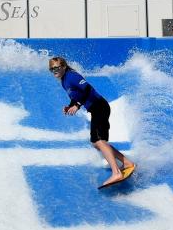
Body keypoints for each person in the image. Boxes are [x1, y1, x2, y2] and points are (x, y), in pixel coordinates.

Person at [49, 56, 136, 187]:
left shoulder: (71, 76)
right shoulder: (63, 81)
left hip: (99, 106)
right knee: (96, 143)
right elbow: (76, 95)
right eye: (51, 69)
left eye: (56, 67)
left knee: (99, 141)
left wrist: (77, 105)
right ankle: (127, 163)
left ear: (64, 66)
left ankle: (116, 172)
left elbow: (87, 88)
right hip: (95, 109)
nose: (54, 70)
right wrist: (70, 105)